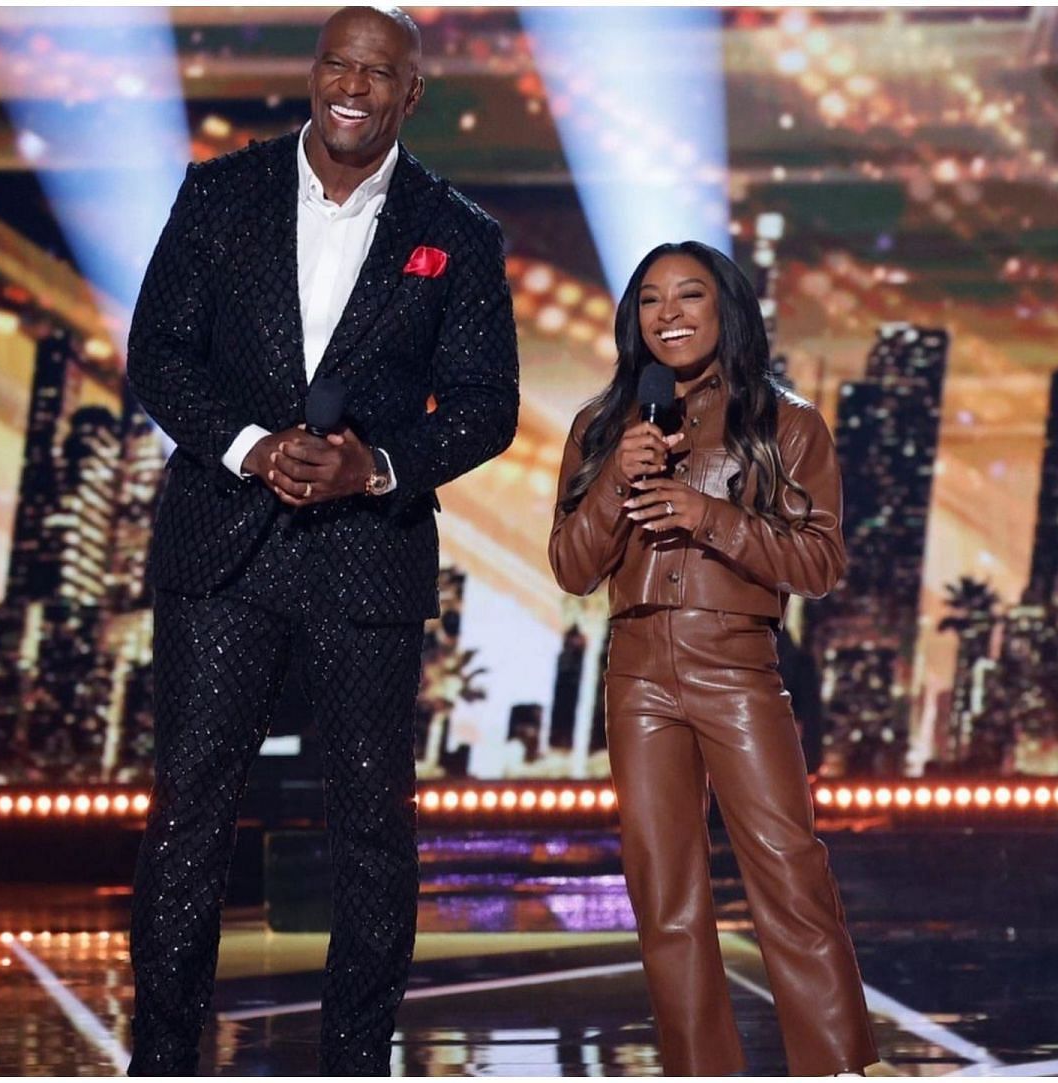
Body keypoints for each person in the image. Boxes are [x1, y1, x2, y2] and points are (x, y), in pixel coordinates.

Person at [124, 6, 518, 1073]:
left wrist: (375, 464)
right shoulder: (222, 192)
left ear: (411, 92)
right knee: (190, 815)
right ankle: (161, 1061)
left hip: (366, 557)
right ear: (313, 74)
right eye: (337, 64)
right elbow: (159, 355)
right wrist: (252, 447)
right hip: (225, 548)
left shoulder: (459, 232)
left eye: (378, 71)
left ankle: (355, 1063)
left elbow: (487, 405)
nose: (353, 85)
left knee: (374, 830)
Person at [549, 241, 877, 1077]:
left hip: (734, 665)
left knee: (789, 876)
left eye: (690, 296)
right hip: (637, 673)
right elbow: (572, 566)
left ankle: (841, 1066)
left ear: (727, 309)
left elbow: (819, 562)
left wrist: (707, 514)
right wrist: (613, 483)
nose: (670, 315)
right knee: (664, 896)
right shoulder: (602, 427)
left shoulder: (785, 424)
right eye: (652, 300)